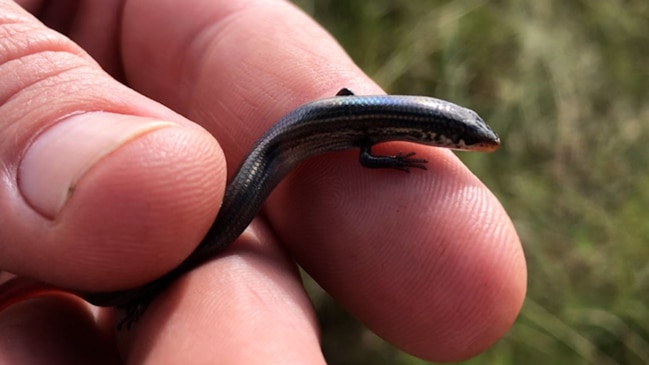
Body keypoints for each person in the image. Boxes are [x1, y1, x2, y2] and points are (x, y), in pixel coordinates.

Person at [0, 0, 526, 363]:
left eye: (469, 137)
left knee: (196, 245)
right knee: (208, 238)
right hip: (276, 150)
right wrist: (393, 163)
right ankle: (132, 296)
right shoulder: (376, 132)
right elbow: (364, 153)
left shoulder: (374, 124)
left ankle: (130, 294)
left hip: (295, 138)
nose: (475, 142)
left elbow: (348, 105)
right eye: (466, 138)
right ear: (435, 131)